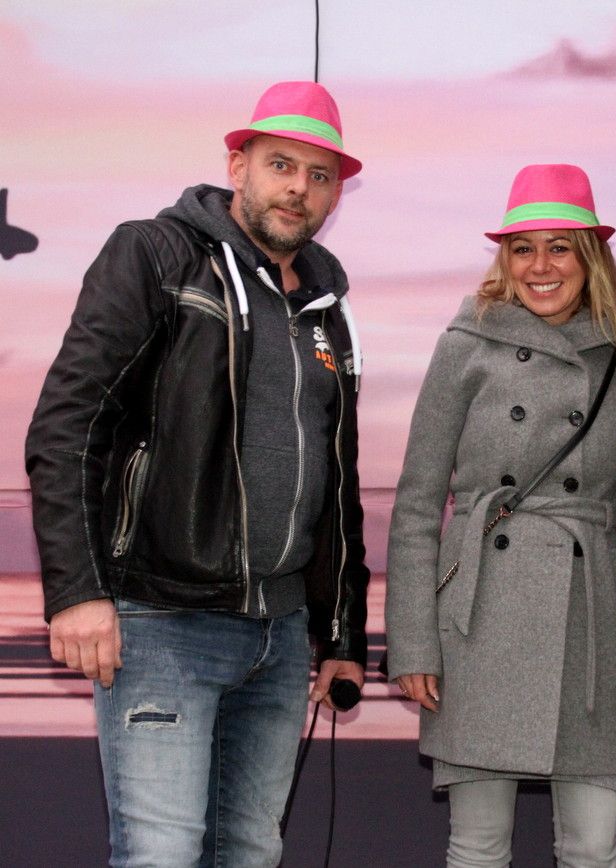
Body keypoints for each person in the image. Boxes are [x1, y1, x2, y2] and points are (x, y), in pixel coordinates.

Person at [24, 81, 369, 866]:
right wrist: (76, 592)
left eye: (319, 175)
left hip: (280, 637)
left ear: (334, 193)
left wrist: (340, 633)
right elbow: (68, 425)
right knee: (161, 855)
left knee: (249, 854)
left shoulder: (326, 308)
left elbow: (338, 484)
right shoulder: (155, 254)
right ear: (237, 164)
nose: (299, 188)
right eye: (281, 165)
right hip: (161, 621)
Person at [386, 164, 616, 867]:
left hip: (591, 621)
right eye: (522, 248)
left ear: (589, 255)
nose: (540, 266)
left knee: (592, 847)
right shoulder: (467, 341)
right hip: (480, 618)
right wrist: (413, 642)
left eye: (560, 247)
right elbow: (417, 503)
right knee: (477, 846)